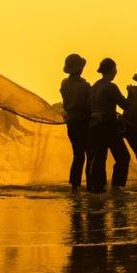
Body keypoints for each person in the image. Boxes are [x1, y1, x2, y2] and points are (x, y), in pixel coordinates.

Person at [87, 58, 129, 194]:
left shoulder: (94, 87)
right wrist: (131, 95)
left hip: (94, 126)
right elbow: (125, 105)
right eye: (115, 68)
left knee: (99, 158)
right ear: (112, 70)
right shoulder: (111, 87)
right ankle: (116, 187)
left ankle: (98, 189)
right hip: (108, 126)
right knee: (123, 157)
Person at [60, 53, 91, 193]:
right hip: (84, 123)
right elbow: (88, 106)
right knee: (90, 154)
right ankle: (91, 184)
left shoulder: (64, 83)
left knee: (77, 154)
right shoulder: (85, 86)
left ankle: (74, 186)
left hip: (71, 123)